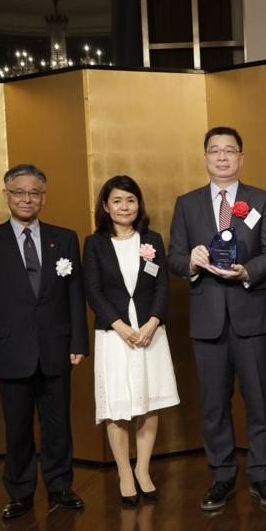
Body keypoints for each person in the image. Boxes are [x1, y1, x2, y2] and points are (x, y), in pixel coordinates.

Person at [167, 126, 266, 511]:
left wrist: (248, 271)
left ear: (241, 157)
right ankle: (221, 477)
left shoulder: (261, 199)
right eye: (215, 150)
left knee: (260, 400)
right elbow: (174, 257)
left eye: (229, 150)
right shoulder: (187, 204)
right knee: (214, 403)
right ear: (205, 157)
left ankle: (262, 476)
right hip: (208, 319)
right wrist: (191, 262)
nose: (222, 157)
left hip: (252, 314)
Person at [0, 163, 89, 519]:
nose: (26, 199)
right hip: (9, 349)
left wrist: (78, 342)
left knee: (58, 424)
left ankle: (60, 486)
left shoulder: (64, 238)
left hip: (56, 347)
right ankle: (19, 492)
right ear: (6, 195)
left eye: (34, 193)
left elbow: (75, 295)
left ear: (44, 198)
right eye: (19, 192)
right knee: (17, 427)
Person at [83, 175, 180, 506]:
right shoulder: (94, 243)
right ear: (106, 207)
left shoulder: (151, 240)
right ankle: (124, 472)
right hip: (115, 336)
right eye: (117, 201)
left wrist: (153, 321)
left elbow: (163, 284)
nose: (124, 207)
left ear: (139, 204)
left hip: (150, 332)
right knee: (118, 404)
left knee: (149, 403)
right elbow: (92, 289)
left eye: (130, 200)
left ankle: (143, 469)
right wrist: (120, 326)